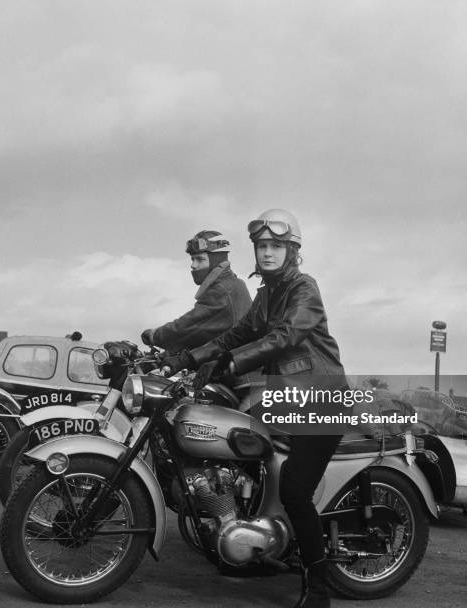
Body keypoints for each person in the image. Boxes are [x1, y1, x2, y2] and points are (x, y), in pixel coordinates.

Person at [163, 209, 347, 608]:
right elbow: (237, 334)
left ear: (291, 250)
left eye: (275, 245)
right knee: (242, 450)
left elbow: (286, 335)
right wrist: (186, 359)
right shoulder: (266, 294)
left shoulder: (303, 289)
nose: (267, 252)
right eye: (262, 246)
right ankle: (254, 546)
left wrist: (234, 361)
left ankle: (319, 588)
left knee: (296, 492)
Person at [140, 230, 252, 353]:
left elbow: (189, 326)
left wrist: (154, 335)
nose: (193, 265)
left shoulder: (222, 290)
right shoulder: (234, 283)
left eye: (200, 259)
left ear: (216, 261)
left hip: (229, 365)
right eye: (192, 259)